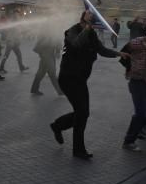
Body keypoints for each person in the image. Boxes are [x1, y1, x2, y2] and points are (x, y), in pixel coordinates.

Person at [50, 10, 130, 159]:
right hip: (68, 78)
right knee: (81, 113)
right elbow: (75, 44)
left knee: (83, 113)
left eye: (94, 14)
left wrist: (119, 54)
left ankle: (58, 125)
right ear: (82, 16)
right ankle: (78, 150)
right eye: (89, 13)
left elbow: (101, 50)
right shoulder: (72, 31)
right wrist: (86, 30)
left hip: (80, 79)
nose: (92, 15)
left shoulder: (92, 33)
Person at [30, 22, 63, 96]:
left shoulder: (52, 32)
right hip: (46, 54)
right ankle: (60, 91)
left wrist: (57, 51)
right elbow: (39, 45)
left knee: (41, 73)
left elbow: (57, 41)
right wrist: (42, 54)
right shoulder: (46, 33)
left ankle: (34, 89)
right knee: (52, 73)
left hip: (48, 54)